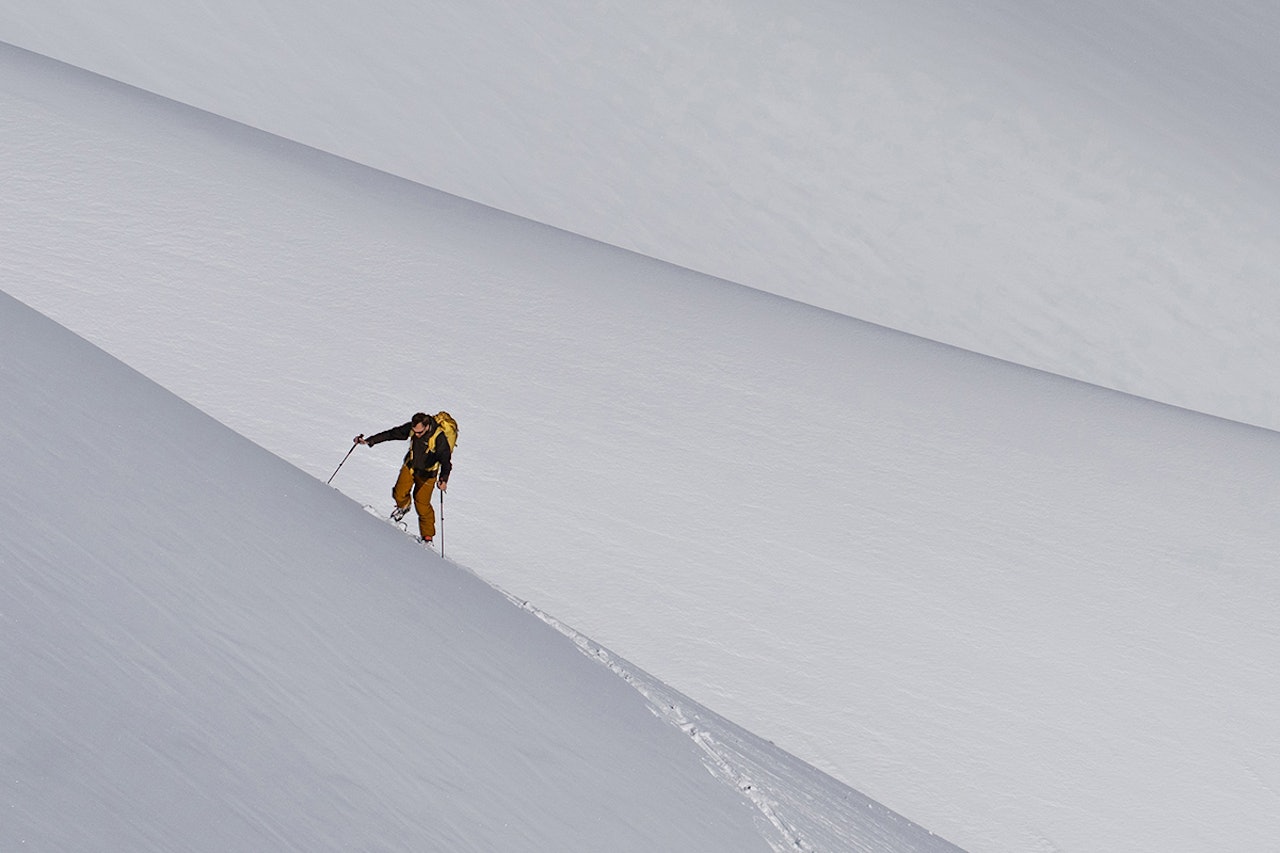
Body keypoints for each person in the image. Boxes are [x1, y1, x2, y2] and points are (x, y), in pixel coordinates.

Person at [354, 412, 452, 543]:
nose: (416, 435)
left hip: (428, 475)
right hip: (410, 466)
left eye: (419, 432)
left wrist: (443, 479)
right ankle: (404, 507)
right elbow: (392, 434)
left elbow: (446, 461)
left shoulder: (439, 438)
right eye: (414, 431)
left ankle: (427, 537)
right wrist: (369, 441)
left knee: (422, 504)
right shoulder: (412, 428)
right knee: (399, 493)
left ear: (427, 426)